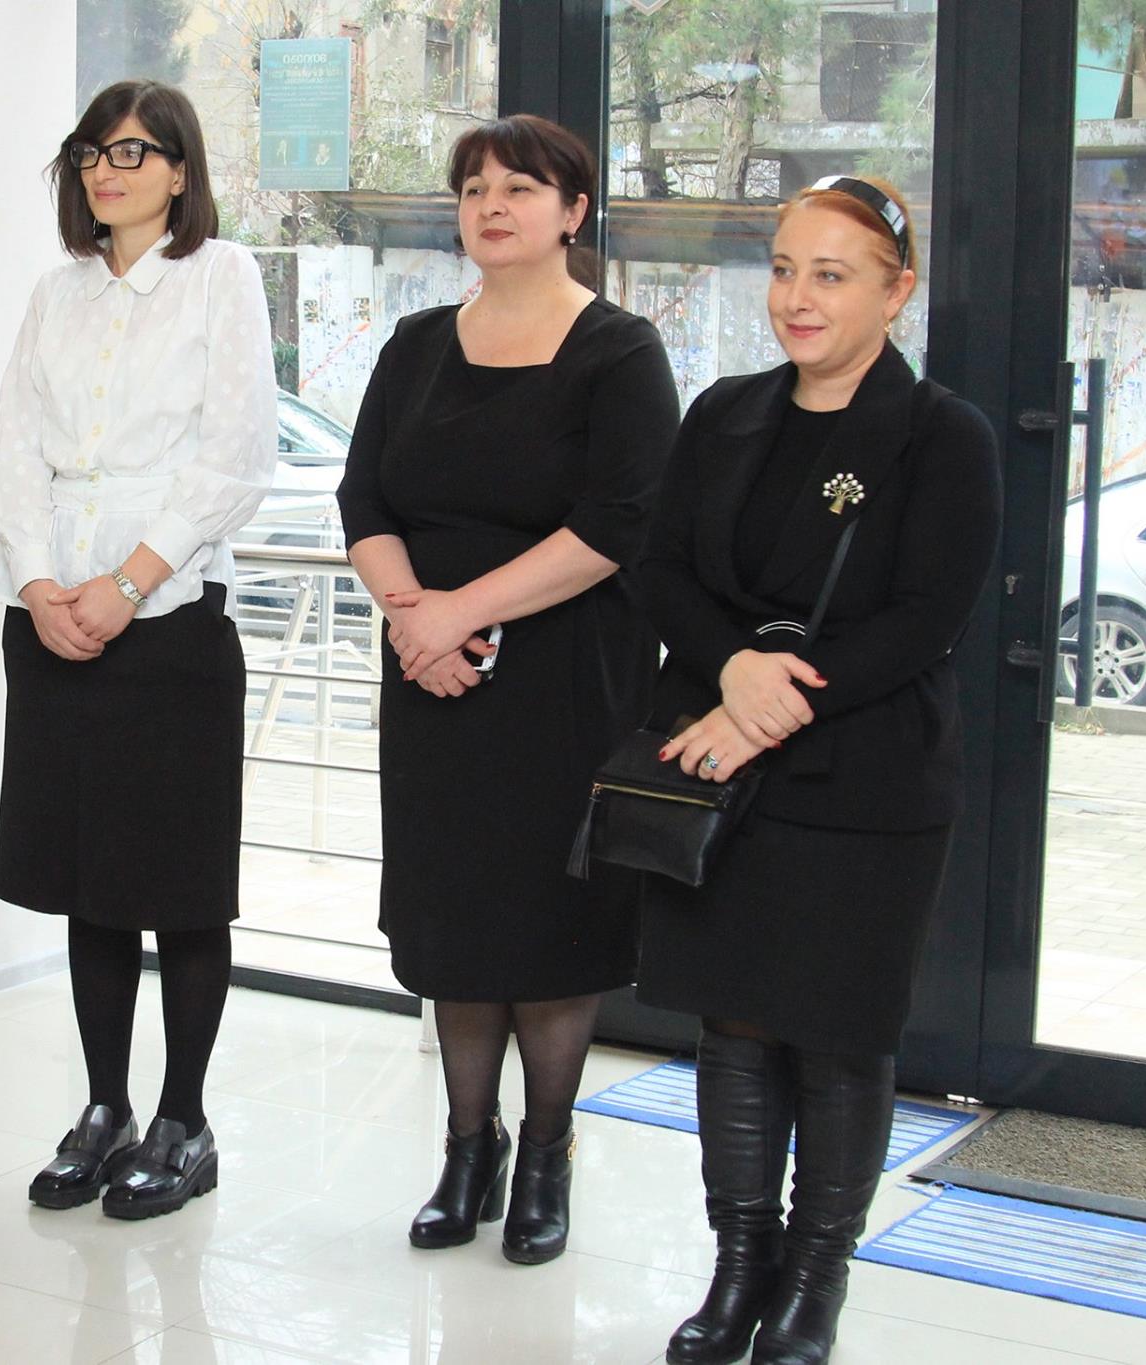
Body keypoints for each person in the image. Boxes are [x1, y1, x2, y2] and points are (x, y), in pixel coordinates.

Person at [637, 176, 1000, 1365]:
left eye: (829, 276)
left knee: (837, 1034)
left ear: (895, 293)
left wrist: (763, 707)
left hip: (865, 775)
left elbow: (923, 619)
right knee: (735, 1025)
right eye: (784, 269)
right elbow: (662, 571)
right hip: (722, 767)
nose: (796, 297)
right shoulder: (724, 413)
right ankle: (738, 1264)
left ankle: (813, 1282)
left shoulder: (940, 435)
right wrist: (732, 671)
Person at [336, 114, 678, 1260]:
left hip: (566, 681)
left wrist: (458, 612)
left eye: (521, 188)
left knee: (548, 921)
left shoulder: (619, 351)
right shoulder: (414, 345)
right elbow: (363, 501)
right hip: (431, 681)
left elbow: (617, 524)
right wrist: (412, 621)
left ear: (572, 212)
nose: (492, 204)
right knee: (454, 917)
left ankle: (545, 1154)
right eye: (475, 186)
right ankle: (464, 1147)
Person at [0, 79, 276, 1220]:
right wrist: (38, 582)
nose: (107, 172)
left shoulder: (221, 277)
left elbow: (235, 456)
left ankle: (183, 1120)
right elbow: (12, 448)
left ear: (180, 171)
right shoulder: (55, 292)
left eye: (134, 152)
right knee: (87, 882)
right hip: (53, 617)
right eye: (92, 153)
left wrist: (128, 581)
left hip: (170, 621)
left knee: (180, 886)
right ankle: (104, 1106)